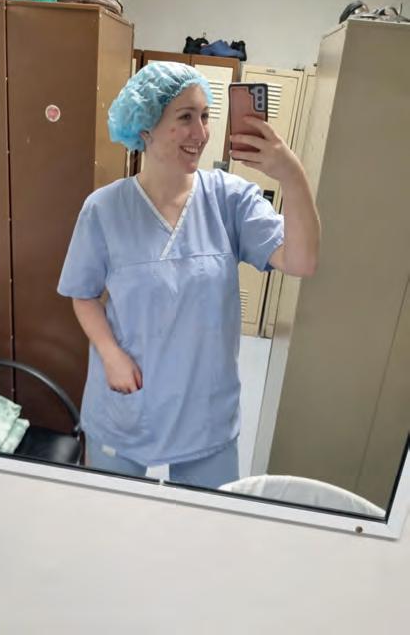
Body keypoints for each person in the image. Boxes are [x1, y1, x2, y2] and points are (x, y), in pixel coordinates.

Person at [58, 62, 320, 489]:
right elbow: (83, 295)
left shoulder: (229, 199)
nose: (201, 133)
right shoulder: (104, 209)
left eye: (205, 116)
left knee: (206, 524)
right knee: (114, 517)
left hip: (205, 410)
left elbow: (302, 261)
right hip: (128, 400)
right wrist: (110, 354)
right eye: (185, 117)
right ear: (145, 128)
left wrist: (292, 174)